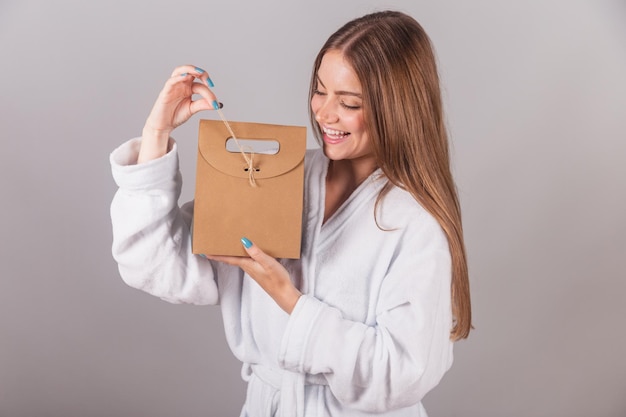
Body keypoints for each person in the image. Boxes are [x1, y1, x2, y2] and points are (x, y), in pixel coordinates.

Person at [110, 10, 471, 417]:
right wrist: (157, 133)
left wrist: (288, 297)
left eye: (349, 102)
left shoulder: (416, 222)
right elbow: (154, 264)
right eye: (320, 91)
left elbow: (402, 374)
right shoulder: (280, 177)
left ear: (397, 109)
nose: (324, 113)